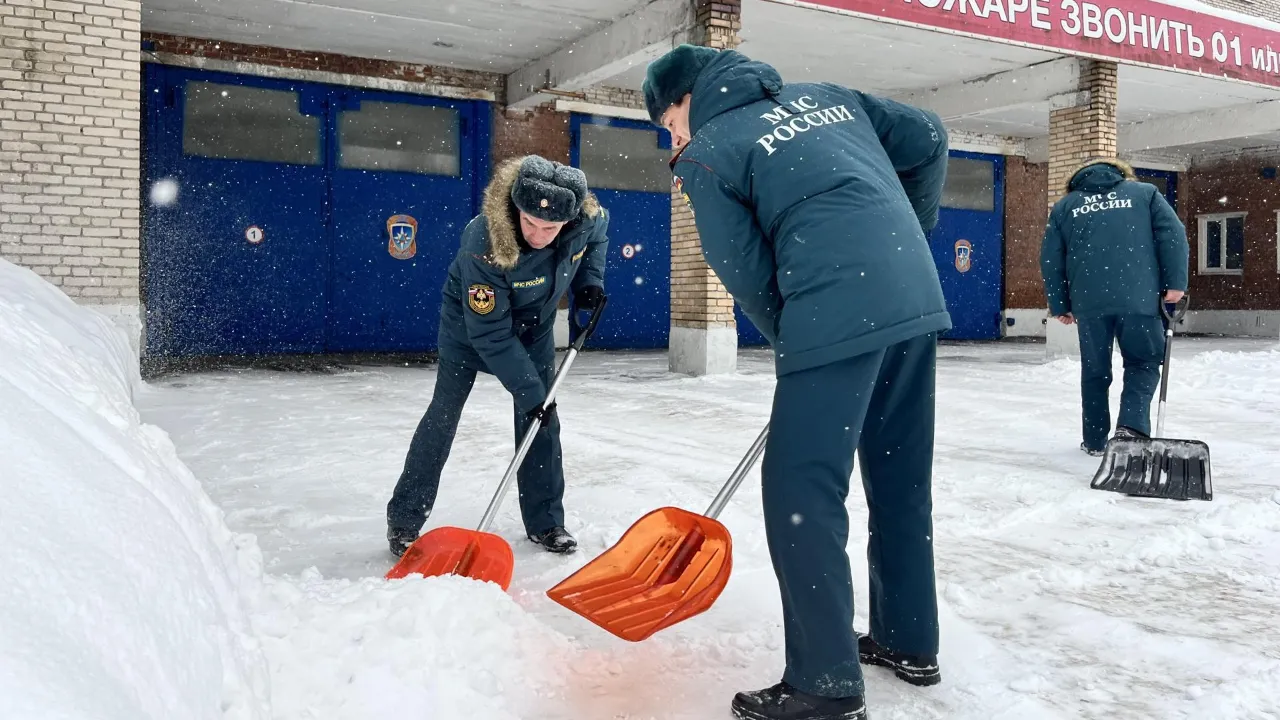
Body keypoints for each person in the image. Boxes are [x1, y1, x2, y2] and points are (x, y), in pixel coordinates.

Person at [643, 44, 950, 720]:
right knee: (899, 477)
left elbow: (745, 272)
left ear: (688, 96)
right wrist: (910, 232)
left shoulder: (708, 152)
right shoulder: (830, 95)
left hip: (833, 306)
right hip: (913, 296)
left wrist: (804, 343)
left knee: (801, 495)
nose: (674, 138)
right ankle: (908, 641)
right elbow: (929, 138)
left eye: (669, 122)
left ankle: (824, 686)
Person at [386, 155, 609, 557]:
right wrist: (530, 391)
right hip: (468, 334)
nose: (539, 234)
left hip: (533, 330)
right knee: (443, 416)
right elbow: (489, 331)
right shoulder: (485, 242)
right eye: (530, 223)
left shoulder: (585, 218)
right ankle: (404, 521)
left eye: (551, 227)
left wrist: (590, 282)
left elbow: (598, 236)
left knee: (542, 422)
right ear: (516, 209)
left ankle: (546, 523)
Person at [1040, 159, 1189, 456]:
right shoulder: (1145, 194)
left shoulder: (1065, 206)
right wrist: (1176, 283)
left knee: (1095, 370)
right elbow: (1173, 236)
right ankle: (1130, 429)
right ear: (1122, 173)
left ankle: (1095, 440)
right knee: (1144, 362)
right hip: (1139, 299)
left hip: (1089, 303)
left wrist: (1061, 304)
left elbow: (1051, 259)